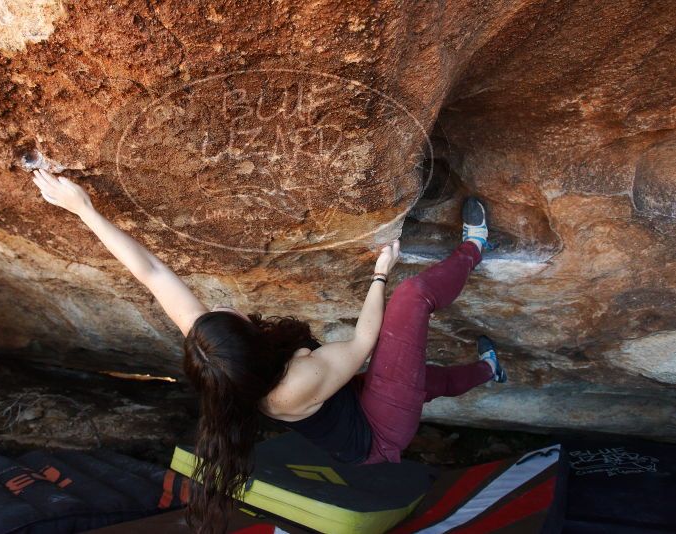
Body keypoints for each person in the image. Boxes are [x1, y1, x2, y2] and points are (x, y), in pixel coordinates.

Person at [31, 168, 507, 534]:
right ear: (253, 344)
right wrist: (383, 271)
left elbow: (152, 273)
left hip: (350, 409)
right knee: (411, 300)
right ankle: (475, 250)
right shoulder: (293, 384)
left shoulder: (224, 362)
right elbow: (364, 341)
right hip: (381, 436)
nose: (216, 305)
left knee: (421, 379)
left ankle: (489, 370)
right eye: (225, 312)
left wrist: (83, 209)